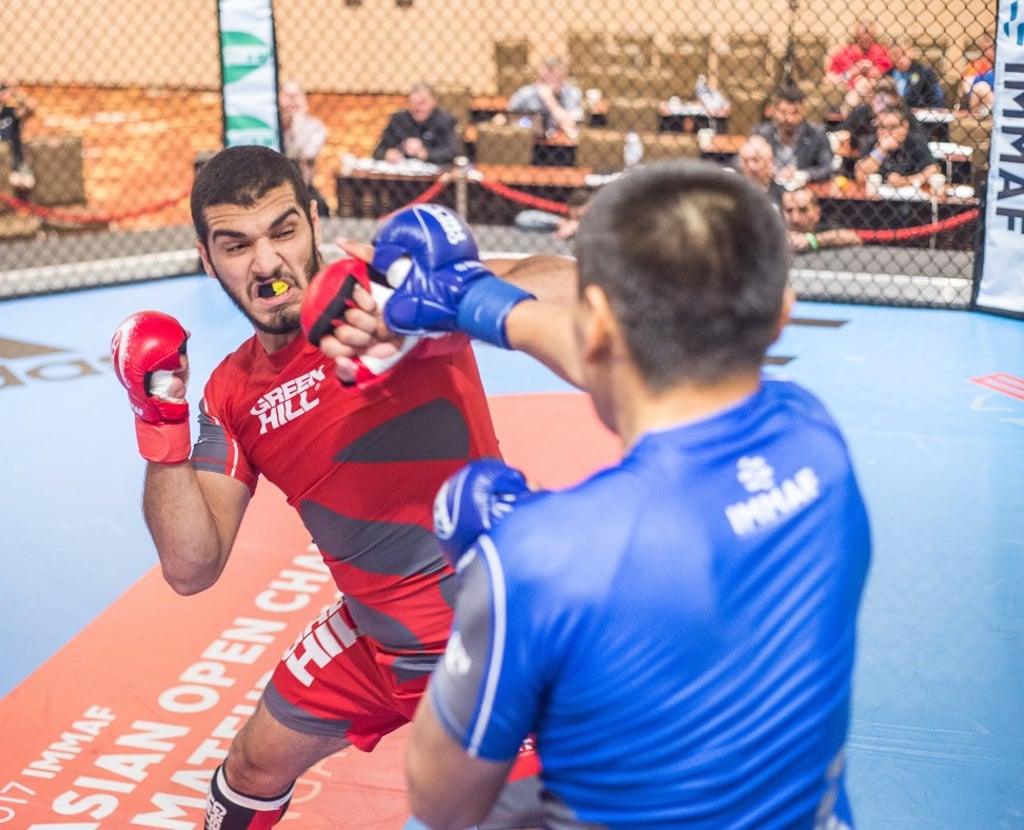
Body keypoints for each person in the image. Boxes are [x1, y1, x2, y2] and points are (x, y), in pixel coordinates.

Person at [318, 162, 872, 829]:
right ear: (782, 312)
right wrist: (470, 299)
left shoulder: (545, 557)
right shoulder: (815, 437)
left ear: (598, 322)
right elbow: (619, 347)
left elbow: (442, 800)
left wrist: (482, 593)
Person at [109, 145, 555, 830]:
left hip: (490, 627)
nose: (266, 264)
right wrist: (158, 421)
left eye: (283, 231)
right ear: (207, 260)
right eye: (236, 245)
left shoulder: (387, 296)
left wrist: (454, 296)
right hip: (376, 640)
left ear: (315, 222)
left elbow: (566, 283)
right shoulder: (232, 392)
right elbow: (191, 566)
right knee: (251, 768)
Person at [753, 85, 834, 185]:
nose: (789, 119)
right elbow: (740, 162)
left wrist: (800, 174)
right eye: (784, 112)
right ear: (774, 110)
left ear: (803, 110)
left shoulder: (817, 133)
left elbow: (827, 168)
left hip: (801, 186)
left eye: (795, 113)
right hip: (767, 184)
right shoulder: (761, 132)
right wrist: (765, 169)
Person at [373, 82, 461, 166]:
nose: (419, 108)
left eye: (423, 103)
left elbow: (453, 152)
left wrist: (425, 153)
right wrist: (387, 154)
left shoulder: (444, 120)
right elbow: (378, 151)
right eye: (414, 103)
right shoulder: (398, 120)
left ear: (433, 102)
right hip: (401, 171)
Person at [853, 104, 941, 188]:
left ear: (905, 126)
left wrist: (905, 181)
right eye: (882, 127)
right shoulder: (871, 141)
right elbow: (860, 176)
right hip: (876, 195)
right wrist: (882, 149)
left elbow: (934, 169)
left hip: (910, 194)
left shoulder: (914, 141)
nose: (887, 132)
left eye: (893, 127)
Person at [279, 79, 330, 216]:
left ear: (305, 100)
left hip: (304, 188)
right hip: (274, 187)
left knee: (321, 207)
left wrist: (296, 124)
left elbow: (307, 154)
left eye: (297, 96)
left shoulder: (316, 127)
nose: (293, 100)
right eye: (287, 96)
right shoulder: (272, 127)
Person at [506, 57, 583, 136]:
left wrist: (549, 100)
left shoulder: (572, 93)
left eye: (555, 76)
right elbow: (506, 116)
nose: (551, 77)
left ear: (563, 76)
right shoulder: (525, 93)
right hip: (530, 139)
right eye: (547, 76)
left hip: (562, 140)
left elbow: (570, 125)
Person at [782, 186, 863, 251]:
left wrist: (811, 240)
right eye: (789, 211)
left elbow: (854, 238)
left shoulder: (825, 230)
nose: (795, 219)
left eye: (803, 210)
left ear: (816, 213)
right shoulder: (777, 233)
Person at [826, 20, 893, 90]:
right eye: (863, 34)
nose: (866, 37)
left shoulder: (882, 51)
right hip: (850, 91)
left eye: (870, 35)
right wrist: (850, 73)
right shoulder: (843, 54)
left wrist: (879, 73)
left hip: (877, 90)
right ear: (856, 35)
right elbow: (830, 78)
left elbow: (892, 74)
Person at [885, 35, 945, 110]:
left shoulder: (925, 72)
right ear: (889, 54)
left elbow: (937, 100)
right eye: (895, 54)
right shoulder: (887, 74)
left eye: (903, 53)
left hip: (918, 114)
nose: (900, 58)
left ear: (911, 51)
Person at [0, 78, 37, 194]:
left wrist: (17, 92)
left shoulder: (11, 109)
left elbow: (31, 108)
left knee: (24, 182)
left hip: (14, 158)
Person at [513, 187, 592, 240]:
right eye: (578, 216)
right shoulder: (558, 221)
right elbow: (522, 219)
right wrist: (559, 222)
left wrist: (578, 226)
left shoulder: (593, 228)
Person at [735, 134, 784, 207]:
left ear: (770, 162)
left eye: (756, 160)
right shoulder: (734, 194)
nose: (750, 166)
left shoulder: (782, 196)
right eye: (745, 161)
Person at [962, 35, 995, 117]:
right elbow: (968, 89)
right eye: (986, 49)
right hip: (981, 101)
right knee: (981, 88)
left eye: (993, 48)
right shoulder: (975, 66)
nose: (988, 51)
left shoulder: (1004, 66)